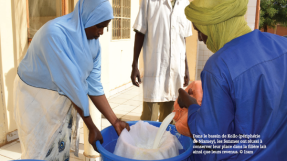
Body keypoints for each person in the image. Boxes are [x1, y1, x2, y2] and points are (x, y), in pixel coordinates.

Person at [14, 0, 129, 160]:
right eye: (99, 26)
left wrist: (115, 121)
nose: (102, 32)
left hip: (66, 96)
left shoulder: (93, 45)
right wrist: (91, 126)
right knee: (39, 150)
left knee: (59, 147)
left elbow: (93, 85)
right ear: (87, 18)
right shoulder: (53, 34)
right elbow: (71, 84)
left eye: (105, 26)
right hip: (36, 98)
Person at [177, 0, 287, 160]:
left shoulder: (219, 66)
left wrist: (191, 106)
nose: (201, 38)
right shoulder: (282, 46)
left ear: (214, 25)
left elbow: (211, 135)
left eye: (199, 30)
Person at [131, 0, 192, 122]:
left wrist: (186, 68)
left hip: (175, 73)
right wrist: (135, 64)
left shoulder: (185, 4)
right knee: (149, 124)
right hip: (155, 72)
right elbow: (140, 32)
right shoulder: (149, 2)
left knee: (170, 122)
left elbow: (182, 39)